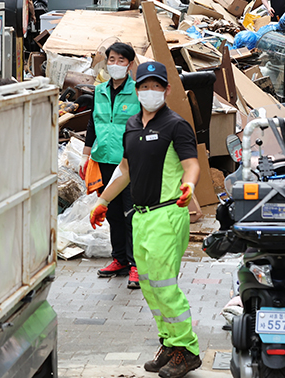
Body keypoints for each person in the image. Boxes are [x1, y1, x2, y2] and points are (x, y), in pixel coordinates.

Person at [91, 61, 201, 378]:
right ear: (136, 89)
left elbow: (191, 164)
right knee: (151, 288)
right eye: (145, 86)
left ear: (166, 90)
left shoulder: (176, 125)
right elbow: (125, 170)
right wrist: (103, 200)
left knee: (166, 287)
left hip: (167, 213)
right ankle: (170, 342)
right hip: (140, 218)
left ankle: (188, 350)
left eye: (156, 86)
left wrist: (189, 184)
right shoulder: (132, 125)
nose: (150, 91)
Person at [81, 42, 141, 288]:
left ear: (129, 64)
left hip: (129, 163)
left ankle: (137, 264)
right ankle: (119, 259)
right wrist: (86, 156)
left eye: (121, 60)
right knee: (112, 213)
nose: (115, 64)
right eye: (112, 59)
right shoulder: (100, 91)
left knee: (131, 214)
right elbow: (92, 125)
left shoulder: (138, 92)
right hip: (104, 159)